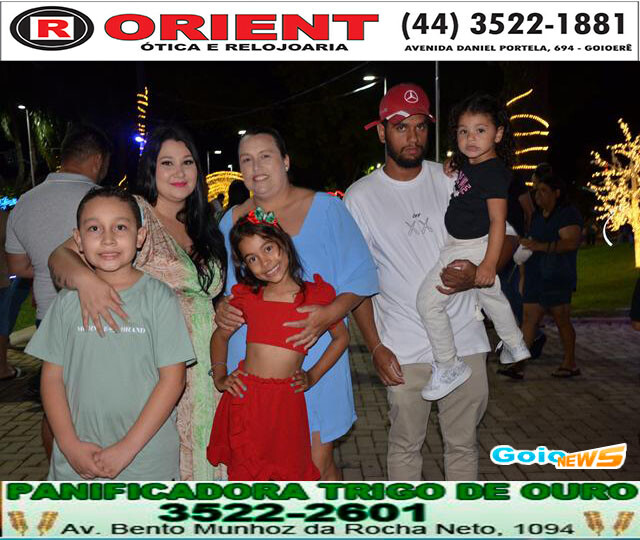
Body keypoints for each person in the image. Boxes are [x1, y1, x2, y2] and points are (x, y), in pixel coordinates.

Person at [48, 126, 227, 480]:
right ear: (151, 169)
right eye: (167, 163)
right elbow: (60, 256)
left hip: (208, 369)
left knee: (207, 463)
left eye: (187, 162)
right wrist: (87, 282)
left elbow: (205, 293)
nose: (179, 172)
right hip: (158, 367)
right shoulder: (138, 213)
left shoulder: (203, 222)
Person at [345, 83, 492, 480]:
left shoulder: (452, 179)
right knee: (405, 447)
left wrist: (478, 272)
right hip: (403, 346)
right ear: (381, 132)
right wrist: (376, 347)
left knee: (463, 446)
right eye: (400, 127)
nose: (412, 137)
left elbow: (504, 235)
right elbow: (357, 283)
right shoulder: (359, 198)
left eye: (420, 126)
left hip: (463, 339)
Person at [215, 127, 378, 480]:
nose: (256, 167)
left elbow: (362, 276)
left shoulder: (327, 209)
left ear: (286, 161)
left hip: (315, 361)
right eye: (247, 160)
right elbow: (228, 287)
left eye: (266, 156)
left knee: (316, 465)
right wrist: (221, 308)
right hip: (251, 372)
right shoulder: (231, 221)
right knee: (257, 469)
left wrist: (329, 314)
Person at [26, 187, 192, 480]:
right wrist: (69, 445)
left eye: (120, 227)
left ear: (140, 236)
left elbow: (173, 380)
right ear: (78, 239)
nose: (108, 239)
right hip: (76, 459)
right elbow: (51, 379)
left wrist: (126, 449)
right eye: (94, 228)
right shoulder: (66, 302)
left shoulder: (159, 298)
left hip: (145, 460)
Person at [208, 208, 349, 480]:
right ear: (245, 266)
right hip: (246, 400)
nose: (264, 262)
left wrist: (312, 376)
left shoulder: (316, 296)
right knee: (248, 476)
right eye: (252, 258)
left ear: (283, 242)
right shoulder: (248, 297)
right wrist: (220, 375)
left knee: (290, 475)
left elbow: (342, 338)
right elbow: (220, 336)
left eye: (268, 248)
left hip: (286, 404)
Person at [5, 123, 112, 456]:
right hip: (99, 315)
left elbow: (18, 266)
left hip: (47, 318)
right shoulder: (102, 202)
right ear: (97, 160)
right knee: (100, 403)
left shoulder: (25, 201)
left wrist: (46, 268)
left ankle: (57, 471)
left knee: (54, 407)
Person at [415, 94, 529, 400]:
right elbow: (465, 175)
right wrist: (456, 163)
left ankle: (448, 364)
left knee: (427, 303)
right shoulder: (475, 165)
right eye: (464, 131)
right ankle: (514, 343)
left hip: (470, 248)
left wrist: (488, 265)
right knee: (491, 296)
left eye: (480, 130)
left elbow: (497, 220)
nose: (471, 138)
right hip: (463, 244)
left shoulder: (492, 172)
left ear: (498, 134)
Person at [499, 174, 583, 378]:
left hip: (557, 275)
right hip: (535, 275)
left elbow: (571, 242)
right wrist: (523, 274)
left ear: (557, 193)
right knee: (528, 319)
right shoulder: (537, 216)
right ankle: (519, 364)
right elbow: (532, 241)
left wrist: (541, 246)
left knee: (561, 319)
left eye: (544, 191)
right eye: (537, 191)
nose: (538, 195)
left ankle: (570, 363)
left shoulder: (567, 214)